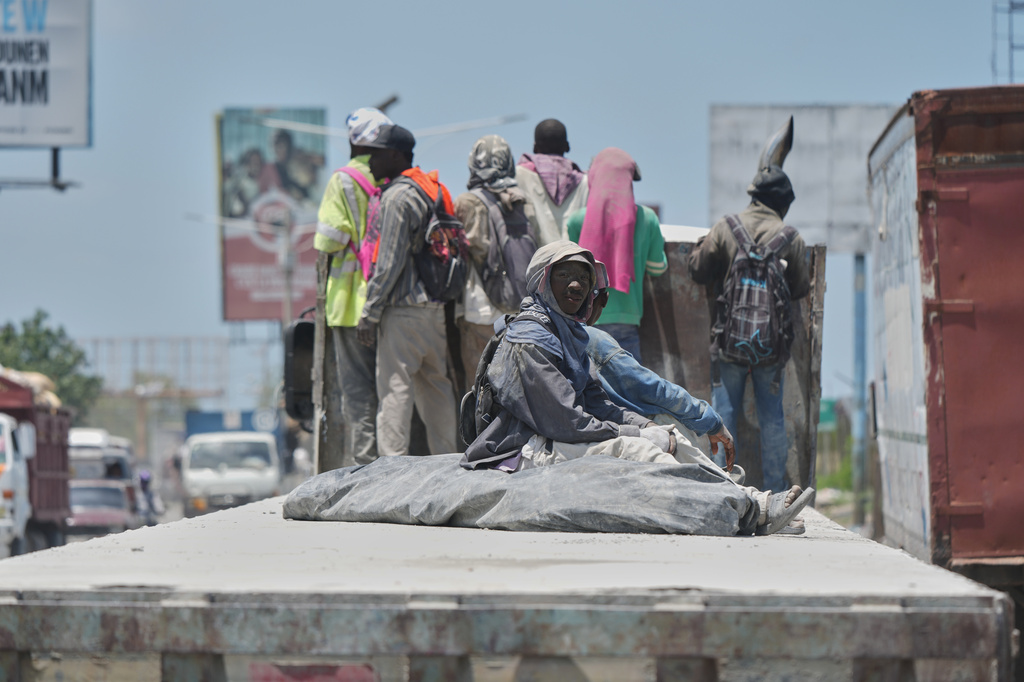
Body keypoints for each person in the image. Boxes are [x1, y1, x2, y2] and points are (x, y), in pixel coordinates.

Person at [460, 241, 812, 536]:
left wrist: (648, 427)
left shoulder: (566, 333)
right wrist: (638, 437)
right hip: (524, 449)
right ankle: (750, 513)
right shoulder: (530, 339)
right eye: (564, 275)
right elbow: (565, 422)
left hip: (555, 438)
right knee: (642, 453)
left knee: (668, 434)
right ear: (542, 282)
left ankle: (753, 501)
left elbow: (599, 405)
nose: (576, 285)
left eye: (583, 277)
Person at [687, 117, 810, 494]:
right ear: (783, 203)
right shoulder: (791, 237)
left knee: (724, 416)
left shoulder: (727, 227)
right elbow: (800, 288)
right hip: (772, 350)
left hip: (729, 344)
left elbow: (699, 271)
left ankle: (720, 487)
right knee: (773, 420)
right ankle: (773, 492)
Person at [357, 124, 458, 457]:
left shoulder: (398, 196)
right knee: (436, 388)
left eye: (375, 154)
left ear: (396, 155)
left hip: (403, 310)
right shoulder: (433, 189)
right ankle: (448, 464)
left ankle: (391, 472)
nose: (369, 162)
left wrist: (370, 312)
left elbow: (388, 262)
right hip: (435, 306)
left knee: (395, 389)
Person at [314, 106, 393, 466]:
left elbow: (329, 239)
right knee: (389, 389)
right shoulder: (392, 175)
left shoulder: (342, 180)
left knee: (359, 392)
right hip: (390, 298)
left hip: (349, 302)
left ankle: (365, 467)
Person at [453, 134, 539, 392]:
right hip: (519, 310)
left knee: (479, 387)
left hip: (479, 308)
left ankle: (483, 434)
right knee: (514, 386)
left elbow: (464, 252)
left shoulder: (468, 202)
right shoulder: (524, 203)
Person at [567, 148, 667, 363]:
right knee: (629, 392)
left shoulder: (576, 220)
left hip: (586, 318)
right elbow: (658, 268)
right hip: (627, 320)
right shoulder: (647, 218)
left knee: (588, 391)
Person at [516, 119, 589, 246]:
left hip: (535, 261)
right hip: (576, 260)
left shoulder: (520, 174)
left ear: (534, 147)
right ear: (567, 146)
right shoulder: (585, 182)